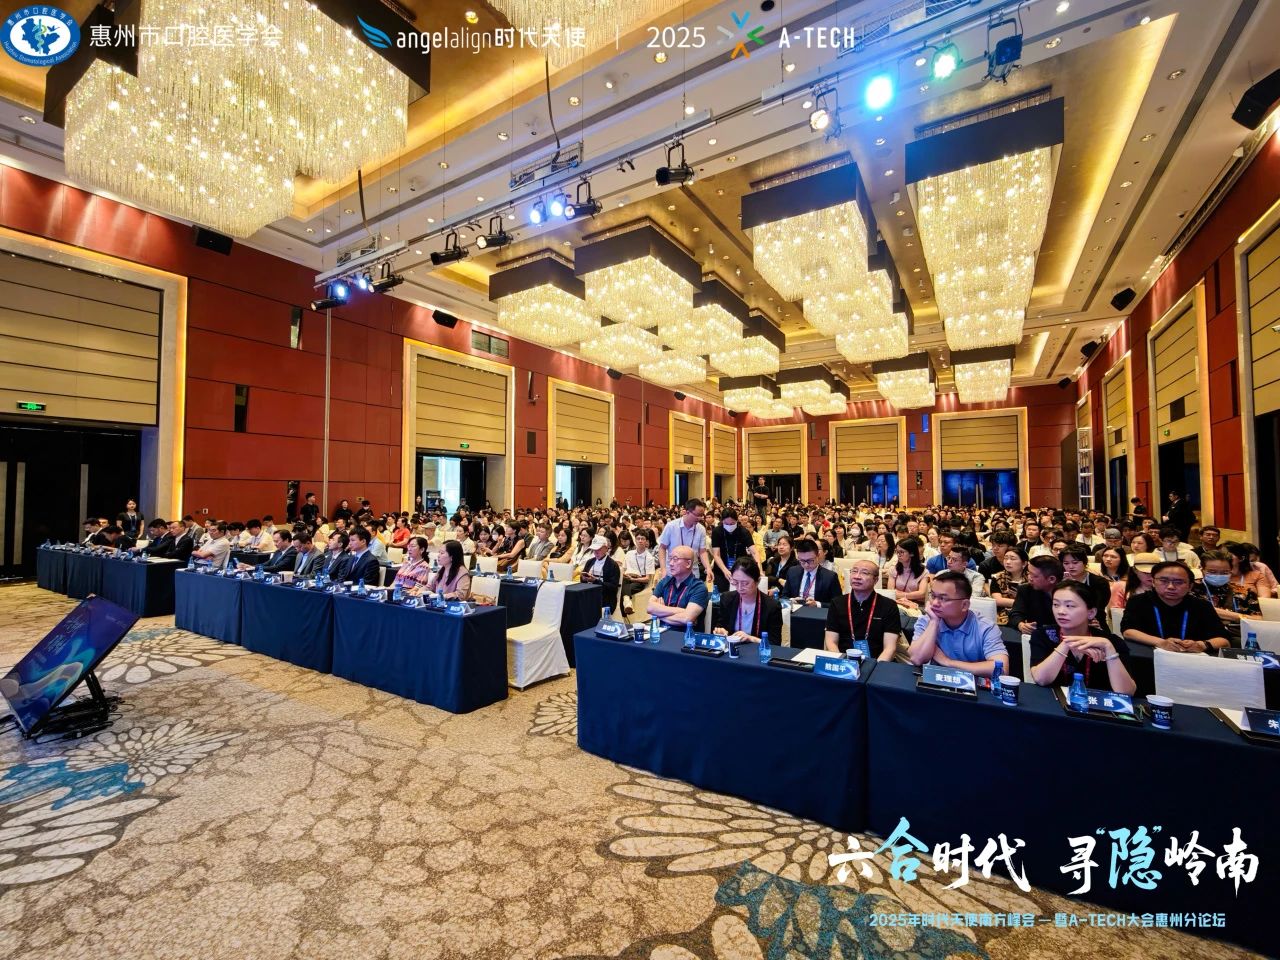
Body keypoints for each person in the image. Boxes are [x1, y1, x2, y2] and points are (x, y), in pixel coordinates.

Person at [1029, 581, 1136, 694]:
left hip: (1098, 703)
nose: (1060, 611)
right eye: (1056, 604)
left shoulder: (1112, 642)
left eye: (1069, 606)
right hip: (1053, 702)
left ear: (1091, 613)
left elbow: (1127, 692)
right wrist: (1066, 644)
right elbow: (1041, 679)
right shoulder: (1043, 635)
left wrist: (1108, 648)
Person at [908, 571, 1009, 678]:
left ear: (964, 605)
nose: (935, 603)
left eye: (943, 598)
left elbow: (1001, 669)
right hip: (936, 682)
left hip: (973, 685)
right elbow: (916, 659)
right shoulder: (927, 620)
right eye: (933, 596)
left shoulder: (986, 628)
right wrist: (934, 622)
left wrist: (948, 662)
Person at [1120, 560, 1229, 653]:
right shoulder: (1139, 601)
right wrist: (1161, 643)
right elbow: (1128, 631)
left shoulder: (1202, 606)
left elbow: (1223, 640)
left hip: (1193, 659)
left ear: (1190, 586)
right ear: (1153, 582)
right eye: (1163, 581)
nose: (1171, 587)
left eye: (1179, 582)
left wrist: (1201, 645)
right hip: (1149, 657)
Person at [824, 558, 902, 660]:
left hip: (877, 662)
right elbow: (831, 642)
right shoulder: (837, 603)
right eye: (854, 571)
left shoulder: (888, 605)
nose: (857, 577)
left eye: (864, 573)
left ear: (876, 579)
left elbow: (890, 648)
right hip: (843, 660)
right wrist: (841, 663)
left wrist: (875, 667)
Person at [714, 557, 783, 645]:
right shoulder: (726, 599)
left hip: (756, 651)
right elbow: (721, 625)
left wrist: (750, 638)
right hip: (732, 649)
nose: (740, 588)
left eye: (745, 583)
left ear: (757, 581)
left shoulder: (772, 606)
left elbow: (775, 643)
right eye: (735, 582)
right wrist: (720, 631)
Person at [1196, 548, 1260, 637]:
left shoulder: (1245, 591)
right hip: (1202, 635)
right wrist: (1241, 617)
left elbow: (1258, 619)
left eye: (1225, 572)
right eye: (1212, 572)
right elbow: (1200, 610)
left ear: (1231, 571)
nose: (1218, 575)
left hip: (1238, 636)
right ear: (1202, 570)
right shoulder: (1191, 588)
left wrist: (1231, 616)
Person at [646, 545, 710, 627]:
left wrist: (659, 613)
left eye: (675, 559)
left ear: (688, 563)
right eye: (670, 559)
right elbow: (650, 607)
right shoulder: (664, 582)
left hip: (685, 634)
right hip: (662, 632)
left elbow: (686, 619)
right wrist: (682, 611)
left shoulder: (698, 588)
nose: (671, 563)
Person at [657, 499, 713, 583]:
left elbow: (702, 551)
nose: (700, 518)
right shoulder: (671, 526)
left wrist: (708, 568)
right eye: (697, 515)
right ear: (687, 512)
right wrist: (663, 570)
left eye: (701, 515)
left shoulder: (701, 529)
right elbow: (662, 548)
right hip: (672, 572)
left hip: (692, 572)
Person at [1007, 555, 1062, 635]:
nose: (1029, 578)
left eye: (1034, 576)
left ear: (1051, 579)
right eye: (1029, 573)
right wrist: (1021, 625)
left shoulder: (1070, 593)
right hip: (1036, 634)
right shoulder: (1025, 589)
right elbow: (1015, 614)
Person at [709, 507, 759, 593]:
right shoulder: (717, 532)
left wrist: (759, 569)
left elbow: (754, 552)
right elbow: (716, 555)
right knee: (723, 595)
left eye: (732, 523)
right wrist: (725, 570)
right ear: (722, 521)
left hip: (741, 569)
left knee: (740, 593)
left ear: (737, 521)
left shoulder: (743, 532)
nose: (729, 526)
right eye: (726, 523)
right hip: (721, 570)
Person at [1058, 543, 1111, 618]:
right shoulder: (1060, 582)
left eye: (1075, 563)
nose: (1071, 566)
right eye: (1066, 563)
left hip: (1093, 619)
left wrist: (1075, 585)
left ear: (1085, 562)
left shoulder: (1100, 582)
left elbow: (1099, 608)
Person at [783, 539, 840, 605]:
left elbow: (837, 604)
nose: (806, 565)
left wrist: (817, 604)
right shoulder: (792, 572)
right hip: (796, 609)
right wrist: (791, 600)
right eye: (802, 561)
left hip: (817, 611)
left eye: (810, 560)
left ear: (818, 555)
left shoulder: (830, 577)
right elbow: (784, 596)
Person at [620, 529, 658, 617]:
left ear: (646, 541)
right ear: (635, 540)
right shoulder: (629, 553)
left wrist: (633, 579)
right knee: (621, 583)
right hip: (627, 579)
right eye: (638, 538)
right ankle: (627, 603)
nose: (640, 541)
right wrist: (625, 575)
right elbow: (623, 570)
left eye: (642, 539)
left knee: (624, 588)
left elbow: (647, 579)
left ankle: (626, 607)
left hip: (639, 581)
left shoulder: (649, 558)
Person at [580, 535, 621, 613]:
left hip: (605, 599)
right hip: (589, 595)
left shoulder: (612, 565)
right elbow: (583, 582)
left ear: (606, 548)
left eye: (598, 549)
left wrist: (595, 581)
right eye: (594, 549)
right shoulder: (590, 562)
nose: (596, 552)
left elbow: (613, 587)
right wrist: (583, 578)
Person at [989, 548, 1029, 626]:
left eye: (1013, 559)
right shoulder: (997, 577)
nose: (1007, 562)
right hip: (1002, 615)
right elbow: (997, 601)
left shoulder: (1031, 578)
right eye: (1005, 558)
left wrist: (1018, 597)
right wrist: (1022, 602)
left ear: (1024, 563)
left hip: (1027, 615)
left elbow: (1036, 602)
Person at [886, 536, 927, 605]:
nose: (898, 555)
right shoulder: (893, 569)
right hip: (897, 603)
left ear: (912, 553)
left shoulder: (923, 571)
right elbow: (891, 592)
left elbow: (921, 594)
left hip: (916, 605)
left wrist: (901, 594)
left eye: (901, 552)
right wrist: (912, 595)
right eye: (897, 552)